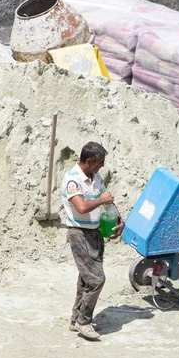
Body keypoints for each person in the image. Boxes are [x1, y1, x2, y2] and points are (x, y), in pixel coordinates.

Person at [61, 142, 125, 340]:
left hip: (95, 232)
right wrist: (101, 199)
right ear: (89, 161)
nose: (102, 166)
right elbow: (81, 207)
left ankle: (75, 319)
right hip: (79, 233)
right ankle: (84, 321)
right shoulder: (73, 180)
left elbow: (106, 201)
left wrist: (119, 220)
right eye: (100, 162)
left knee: (85, 279)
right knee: (96, 279)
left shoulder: (95, 177)